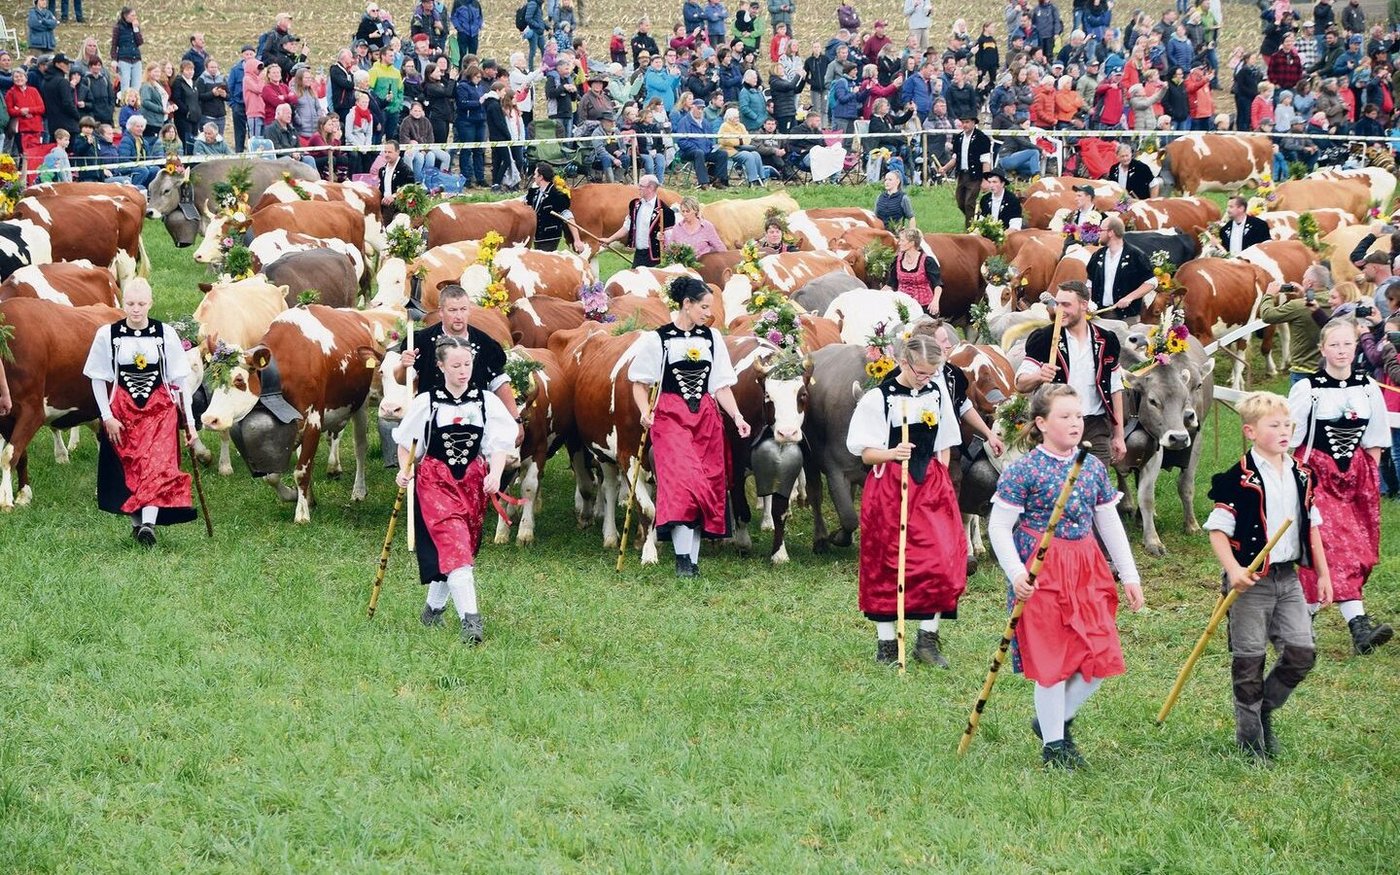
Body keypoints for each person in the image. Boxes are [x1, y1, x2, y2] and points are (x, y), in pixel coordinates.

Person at [988, 383, 1145, 768]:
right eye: (1065, 416)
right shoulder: (1023, 470)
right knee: (1052, 663)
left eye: (1078, 416)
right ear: (1041, 423)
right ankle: (1055, 748)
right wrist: (1015, 573)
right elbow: (998, 527)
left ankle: (1050, 722)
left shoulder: (1091, 467)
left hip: (1086, 566)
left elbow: (1108, 522)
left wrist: (1130, 575)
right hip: (1040, 570)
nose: (1075, 423)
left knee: (1100, 653)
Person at [1205, 391, 1331, 760]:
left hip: (1287, 579)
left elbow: (1313, 528)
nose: (1284, 431)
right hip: (1250, 583)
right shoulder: (1237, 478)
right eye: (1273, 425)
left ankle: (1264, 708)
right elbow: (1217, 531)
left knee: (1301, 651)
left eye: (1287, 424)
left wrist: (1322, 575)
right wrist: (1234, 571)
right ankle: (1250, 742)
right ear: (1250, 431)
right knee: (1249, 660)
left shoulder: (1302, 475)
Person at [846, 321, 967, 666]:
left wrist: (939, 470)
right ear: (903, 362)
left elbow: (945, 441)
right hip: (889, 489)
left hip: (929, 487)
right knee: (887, 564)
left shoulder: (936, 394)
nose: (925, 378)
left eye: (932, 373)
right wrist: (892, 454)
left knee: (940, 561)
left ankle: (927, 641)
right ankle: (886, 646)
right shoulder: (877, 399)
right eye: (921, 372)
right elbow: (864, 452)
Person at [392, 335, 514, 645]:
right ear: (441, 366)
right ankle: (471, 624)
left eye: (468, 364)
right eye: (456, 365)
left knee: (462, 548)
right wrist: (404, 472)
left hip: (472, 482)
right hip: (436, 481)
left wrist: (496, 474)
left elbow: (499, 443)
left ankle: (432, 611)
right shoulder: (427, 403)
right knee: (457, 548)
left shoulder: (485, 402)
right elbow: (406, 444)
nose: (463, 371)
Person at [627, 277, 751, 578]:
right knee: (685, 486)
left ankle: (690, 562)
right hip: (670, 417)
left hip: (706, 418)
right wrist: (646, 412)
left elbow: (720, 385)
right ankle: (683, 559)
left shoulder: (712, 339)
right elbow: (639, 384)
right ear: (687, 304)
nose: (709, 314)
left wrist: (736, 416)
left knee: (704, 487)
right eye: (704, 307)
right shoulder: (659, 340)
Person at [1289, 320, 1394, 654]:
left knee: (1358, 552)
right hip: (1317, 475)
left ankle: (1300, 625)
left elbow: (1375, 439)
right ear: (1322, 349)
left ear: (1356, 347)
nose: (1342, 351)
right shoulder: (1309, 389)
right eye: (1334, 345)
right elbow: (1291, 438)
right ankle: (1358, 627)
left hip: (1356, 477)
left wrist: (1369, 479)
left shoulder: (1367, 387)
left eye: (1348, 344)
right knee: (1327, 548)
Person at [82, 279, 197, 547]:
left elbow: (180, 382)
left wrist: (189, 422)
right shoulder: (107, 335)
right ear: (123, 304)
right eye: (131, 304)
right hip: (122, 410)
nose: (136, 310)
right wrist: (106, 416)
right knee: (130, 466)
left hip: (160, 411)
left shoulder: (164, 334)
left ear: (151, 303)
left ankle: (148, 524)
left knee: (157, 465)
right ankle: (138, 526)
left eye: (141, 304)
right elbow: (97, 378)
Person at [1015, 281, 1126, 467]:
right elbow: (1020, 384)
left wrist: (1119, 435)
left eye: (1066, 305)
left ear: (1084, 305)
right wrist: (1038, 376)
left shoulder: (1106, 340)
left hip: (1094, 426)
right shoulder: (1044, 338)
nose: (1059, 310)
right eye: (1057, 304)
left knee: (1093, 488)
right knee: (1055, 488)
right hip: (1054, 428)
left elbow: (1115, 388)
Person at [1260, 267, 1330, 384]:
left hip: (1303, 371)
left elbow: (1267, 315)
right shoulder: (1336, 302)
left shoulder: (1297, 306)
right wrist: (1305, 295)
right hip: (1329, 368)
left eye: (1304, 279)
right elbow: (1314, 303)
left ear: (1309, 283)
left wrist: (1269, 295)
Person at [1086, 216, 1156, 318]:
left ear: (1111, 232)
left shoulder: (1136, 255)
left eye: (1101, 230)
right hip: (1099, 314)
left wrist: (1129, 298)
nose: (1098, 233)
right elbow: (1090, 282)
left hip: (1127, 316)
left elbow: (1151, 282)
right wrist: (1089, 301)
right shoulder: (1097, 255)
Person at [601, 174, 678, 267]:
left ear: (651, 188)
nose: (638, 188)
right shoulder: (635, 205)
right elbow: (626, 227)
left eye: (641, 186)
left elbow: (671, 237)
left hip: (655, 258)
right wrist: (609, 239)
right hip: (638, 255)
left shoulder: (665, 211)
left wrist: (664, 238)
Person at [940, 114, 993, 225]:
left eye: (967, 122)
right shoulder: (958, 138)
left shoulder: (981, 138)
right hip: (961, 175)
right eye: (963, 122)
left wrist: (985, 179)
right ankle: (976, 219)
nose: (965, 125)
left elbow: (985, 161)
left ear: (974, 123)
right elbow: (955, 158)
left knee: (969, 202)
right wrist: (945, 168)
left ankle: (970, 228)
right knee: (960, 202)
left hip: (975, 176)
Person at [523, 161, 581, 252]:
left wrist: (577, 240)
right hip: (537, 237)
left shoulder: (557, 195)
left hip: (550, 237)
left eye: (535, 174)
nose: (534, 177)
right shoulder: (534, 192)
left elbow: (568, 216)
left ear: (541, 177)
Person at [885, 226, 944, 315]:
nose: (899, 243)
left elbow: (937, 284)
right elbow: (890, 284)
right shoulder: (897, 260)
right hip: (902, 307)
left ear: (912, 243)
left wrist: (935, 302)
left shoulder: (927, 261)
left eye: (902, 240)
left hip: (923, 306)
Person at [377, 140, 417, 226]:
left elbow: (410, 190)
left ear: (398, 152)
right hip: (384, 209)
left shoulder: (406, 170)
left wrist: (394, 197)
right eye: (385, 152)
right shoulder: (382, 170)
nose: (387, 154)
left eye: (390, 152)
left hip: (400, 210)